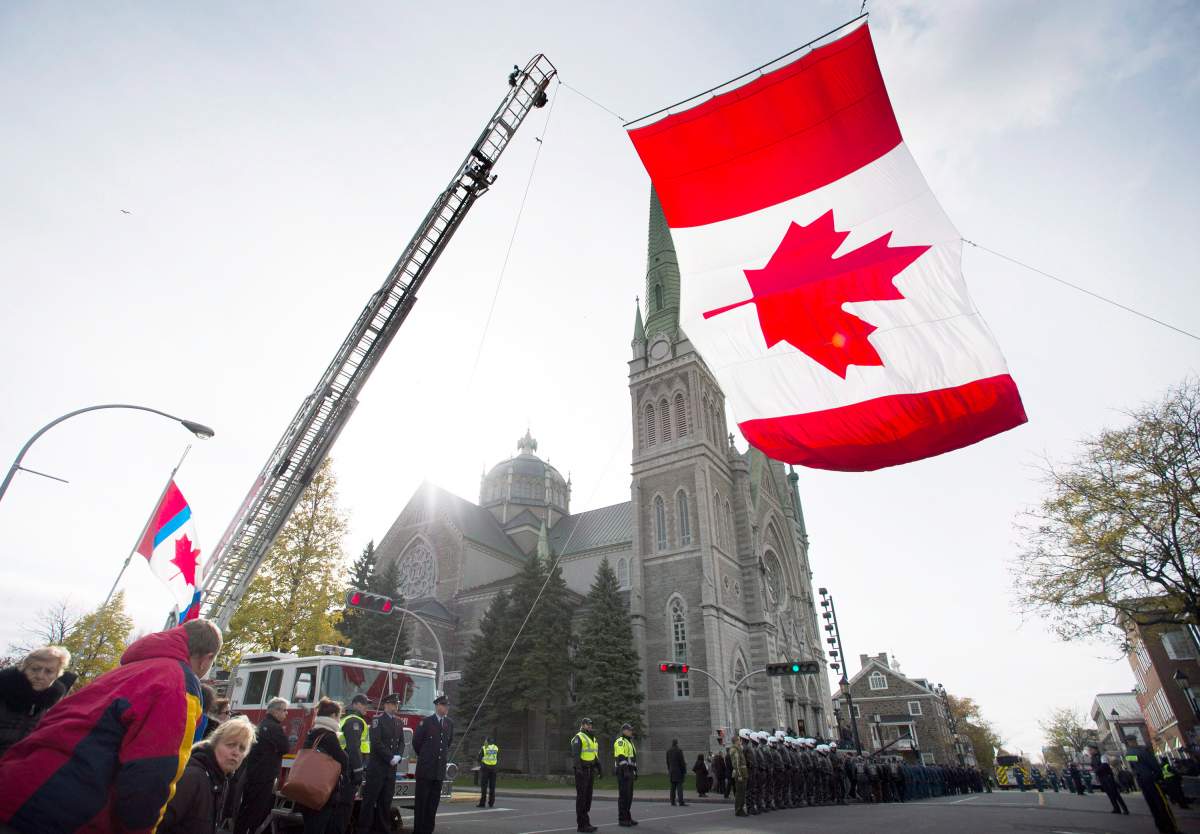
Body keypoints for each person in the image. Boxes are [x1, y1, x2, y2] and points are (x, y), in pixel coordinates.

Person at [0, 619, 221, 834]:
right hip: (62, 810)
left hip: (16, 784)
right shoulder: (179, 685)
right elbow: (152, 772)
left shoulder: (127, 670)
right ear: (207, 658)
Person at [159, 715, 255, 834]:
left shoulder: (220, 780)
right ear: (214, 744)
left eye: (242, 748)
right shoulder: (193, 778)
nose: (236, 752)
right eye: (230, 744)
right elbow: (157, 824)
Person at [0, 645, 75, 757]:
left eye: (49, 671)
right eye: (35, 669)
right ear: (24, 669)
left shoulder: (53, 705)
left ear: (57, 675)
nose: (40, 676)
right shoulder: (4, 690)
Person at [235, 695, 292, 834]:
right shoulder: (275, 728)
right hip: (265, 774)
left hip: (253, 772)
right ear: (275, 711)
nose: (286, 714)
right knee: (258, 809)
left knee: (246, 806)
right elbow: (285, 747)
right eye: (284, 710)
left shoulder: (262, 724)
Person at [298, 698, 350, 834]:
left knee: (310, 826)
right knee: (318, 827)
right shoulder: (330, 736)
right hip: (322, 793)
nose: (339, 719)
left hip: (306, 789)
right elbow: (344, 761)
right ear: (333, 716)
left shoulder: (312, 733)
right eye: (339, 716)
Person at [358, 692, 403, 834]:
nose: (396, 706)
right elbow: (376, 743)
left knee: (385, 802)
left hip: (391, 769)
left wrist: (398, 756)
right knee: (369, 801)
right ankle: (363, 829)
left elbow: (401, 742)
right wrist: (390, 757)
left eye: (397, 704)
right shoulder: (378, 721)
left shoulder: (398, 722)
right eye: (393, 704)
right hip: (377, 768)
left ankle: (383, 829)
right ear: (386, 705)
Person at [411, 692, 453, 834]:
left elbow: (448, 743)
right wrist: (425, 756)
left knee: (433, 805)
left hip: (439, 771)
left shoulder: (449, 723)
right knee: (421, 804)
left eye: (447, 705)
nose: (446, 708)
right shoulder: (426, 722)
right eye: (443, 705)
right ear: (437, 706)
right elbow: (416, 742)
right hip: (426, 770)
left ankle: (428, 830)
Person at [334, 694, 371, 834]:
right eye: (364, 704)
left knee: (340, 807)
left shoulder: (346, 719)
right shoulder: (355, 721)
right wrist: (358, 771)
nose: (367, 707)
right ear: (356, 704)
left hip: (343, 768)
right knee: (344, 807)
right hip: (349, 770)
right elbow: (353, 748)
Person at [1127, 744, 1180, 833]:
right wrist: (1158, 776)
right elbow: (1155, 766)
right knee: (1162, 804)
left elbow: (1135, 766)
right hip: (1152, 780)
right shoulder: (1143, 752)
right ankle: (1171, 828)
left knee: (1153, 806)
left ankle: (1161, 827)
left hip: (1142, 782)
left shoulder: (1128, 755)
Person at [571, 717, 602, 833]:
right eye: (587, 724)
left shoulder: (592, 738)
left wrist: (599, 767)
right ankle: (581, 825)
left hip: (590, 770)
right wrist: (578, 769)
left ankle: (586, 822)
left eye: (590, 724)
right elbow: (575, 755)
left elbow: (594, 754)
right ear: (583, 725)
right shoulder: (579, 737)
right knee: (582, 798)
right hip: (582, 771)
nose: (590, 726)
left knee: (588, 798)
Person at [613, 722, 638, 827]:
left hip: (629, 772)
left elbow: (632, 759)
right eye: (629, 730)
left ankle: (627, 817)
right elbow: (621, 757)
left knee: (629, 796)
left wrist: (635, 772)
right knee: (624, 796)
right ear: (624, 731)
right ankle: (622, 819)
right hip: (623, 772)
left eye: (631, 730)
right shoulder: (620, 741)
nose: (631, 731)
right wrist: (626, 771)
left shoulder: (630, 742)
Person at [1091, 750, 1129, 816]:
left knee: (1115, 793)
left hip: (1107, 776)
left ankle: (1125, 809)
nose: (1090, 751)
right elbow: (1093, 766)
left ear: (1095, 750)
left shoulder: (1102, 756)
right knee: (1109, 794)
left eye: (1091, 749)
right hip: (1101, 777)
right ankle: (1116, 808)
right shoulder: (1093, 758)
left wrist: (1096, 770)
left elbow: (1105, 765)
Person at [477, 736, 499, 808]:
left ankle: (482, 803)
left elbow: (479, 758)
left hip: (485, 768)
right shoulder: (496, 748)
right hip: (494, 768)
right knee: (492, 787)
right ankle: (491, 802)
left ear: (487, 742)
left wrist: (483, 762)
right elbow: (497, 757)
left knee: (484, 786)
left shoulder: (484, 748)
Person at [730, 731, 749, 817]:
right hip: (739, 774)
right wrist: (740, 775)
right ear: (736, 741)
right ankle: (739, 809)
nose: (740, 742)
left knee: (742, 792)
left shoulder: (738, 749)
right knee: (740, 793)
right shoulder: (735, 750)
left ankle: (740, 808)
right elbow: (736, 764)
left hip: (742, 773)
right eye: (738, 740)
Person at [666, 738, 687, 806]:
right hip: (678, 771)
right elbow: (682, 762)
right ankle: (681, 801)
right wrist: (684, 771)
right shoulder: (679, 751)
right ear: (677, 743)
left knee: (672, 787)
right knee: (679, 787)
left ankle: (672, 801)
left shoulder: (668, 751)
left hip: (672, 771)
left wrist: (669, 769)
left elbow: (667, 762)